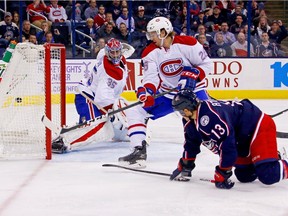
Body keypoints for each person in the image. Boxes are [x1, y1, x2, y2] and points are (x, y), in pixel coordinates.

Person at [118, 16, 213, 167]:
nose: (151, 37)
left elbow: (207, 64)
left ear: (163, 32)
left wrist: (193, 75)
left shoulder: (188, 43)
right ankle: (138, 152)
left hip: (194, 91)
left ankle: (230, 151)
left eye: (153, 34)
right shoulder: (149, 52)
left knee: (211, 120)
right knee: (137, 111)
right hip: (168, 94)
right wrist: (147, 92)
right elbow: (151, 78)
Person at [170, 89, 288, 189]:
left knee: (268, 174)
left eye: (179, 111)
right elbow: (191, 142)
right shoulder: (191, 120)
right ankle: (272, 156)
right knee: (245, 175)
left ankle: (270, 159)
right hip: (242, 136)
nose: (181, 115)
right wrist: (185, 164)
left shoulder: (210, 117)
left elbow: (227, 145)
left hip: (257, 125)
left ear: (186, 110)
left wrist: (223, 171)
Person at [52, 38, 135, 153]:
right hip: (87, 98)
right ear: (108, 53)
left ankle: (83, 125)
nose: (115, 55)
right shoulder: (108, 76)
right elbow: (101, 99)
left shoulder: (103, 55)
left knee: (107, 123)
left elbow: (103, 54)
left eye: (117, 52)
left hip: (92, 96)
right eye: (113, 52)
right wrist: (113, 115)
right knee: (99, 128)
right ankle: (64, 141)